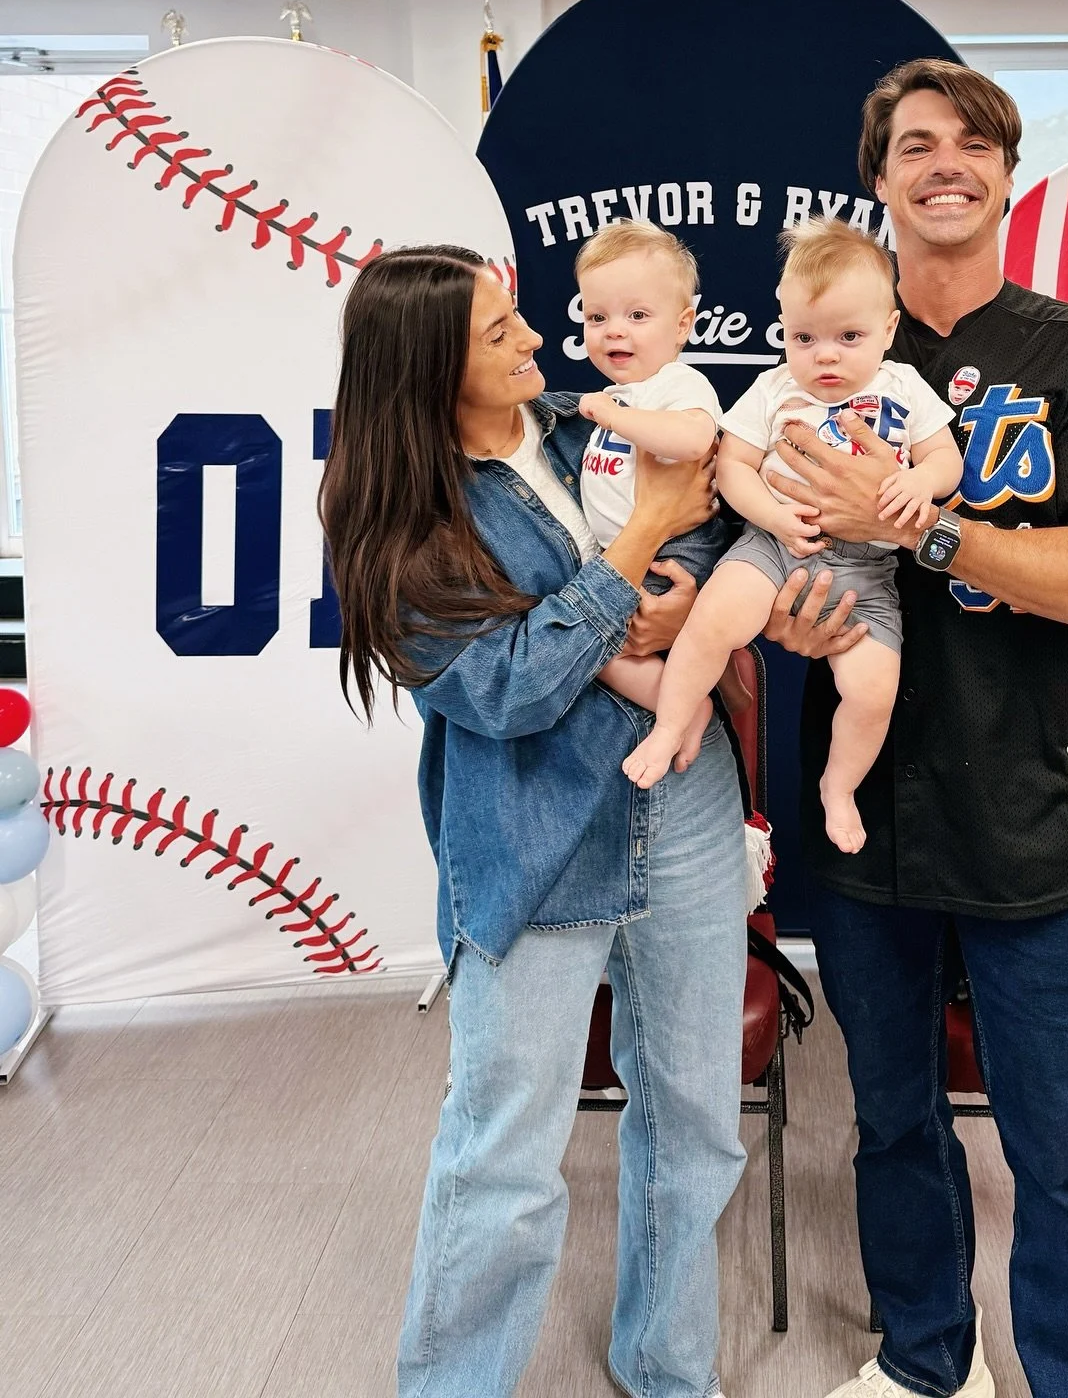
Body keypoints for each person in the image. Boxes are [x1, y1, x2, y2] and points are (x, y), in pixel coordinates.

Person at [765, 62, 1068, 1398]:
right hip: (866, 803)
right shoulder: (818, 364)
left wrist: (934, 529)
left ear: (1007, 172)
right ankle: (927, 1361)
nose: (947, 164)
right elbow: (762, 566)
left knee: (1059, 1139)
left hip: (1029, 802)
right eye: (915, 145)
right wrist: (784, 617)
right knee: (890, 1122)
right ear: (877, 180)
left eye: (974, 145)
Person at [320, 244, 746, 1398]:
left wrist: (690, 597)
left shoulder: (589, 420)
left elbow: (712, 527)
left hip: (689, 808)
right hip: (533, 837)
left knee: (700, 1125)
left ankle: (669, 1372)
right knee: (504, 1154)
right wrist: (638, 543)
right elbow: (502, 689)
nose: (531, 340)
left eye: (519, 317)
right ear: (424, 368)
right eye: (497, 330)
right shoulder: (402, 518)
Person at [623, 219, 962, 862]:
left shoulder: (903, 388)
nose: (824, 356)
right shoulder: (776, 389)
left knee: (873, 689)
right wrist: (774, 520)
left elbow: (947, 461)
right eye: (803, 338)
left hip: (867, 572)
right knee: (710, 623)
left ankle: (839, 786)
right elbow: (733, 467)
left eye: (848, 337)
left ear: (888, 331)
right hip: (774, 547)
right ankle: (670, 724)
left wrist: (921, 485)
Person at [574, 217, 725, 766]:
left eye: (637, 316)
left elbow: (693, 439)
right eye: (597, 316)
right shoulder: (622, 396)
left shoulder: (676, 385)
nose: (615, 330)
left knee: (595, 636)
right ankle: (678, 707)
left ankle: (678, 710)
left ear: (683, 325)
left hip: (675, 552)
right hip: (628, 554)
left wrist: (618, 414)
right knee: (587, 644)